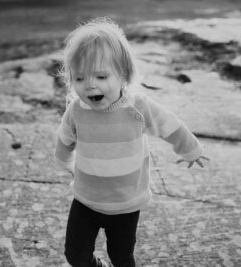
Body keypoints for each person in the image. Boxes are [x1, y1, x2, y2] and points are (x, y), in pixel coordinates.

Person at [55, 17, 209, 267]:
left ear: (123, 75)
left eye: (101, 76)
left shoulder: (138, 107)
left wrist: (190, 148)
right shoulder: (76, 110)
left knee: (122, 257)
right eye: (80, 78)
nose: (89, 85)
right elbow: (64, 140)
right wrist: (64, 161)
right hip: (86, 200)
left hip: (126, 204)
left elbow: (170, 125)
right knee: (75, 255)